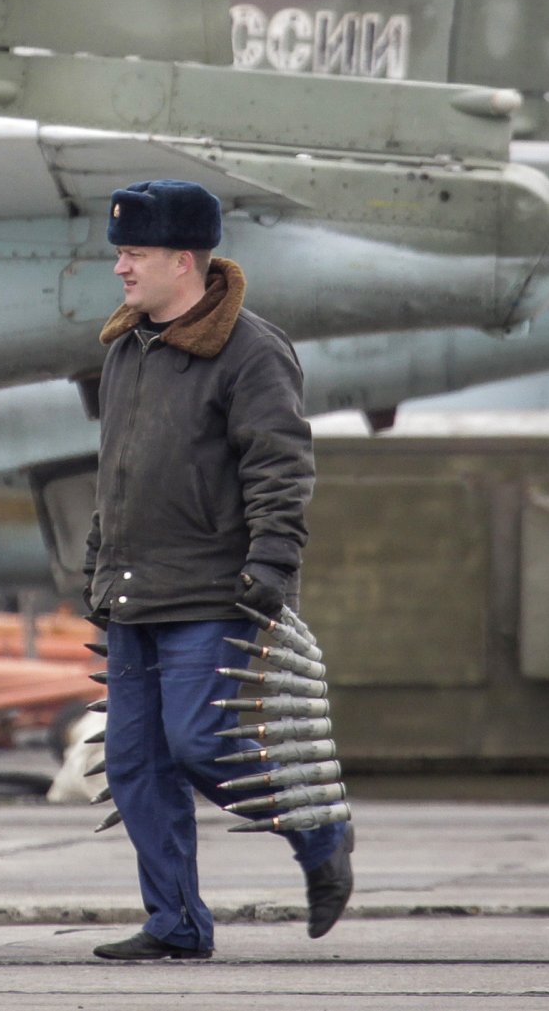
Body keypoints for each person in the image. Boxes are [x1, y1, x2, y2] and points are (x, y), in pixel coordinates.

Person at [82, 178, 352, 962]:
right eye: (121, 253)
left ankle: (321, 831)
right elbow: (119, 471)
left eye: (134, 253)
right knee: (134, 766)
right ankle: (175, 924)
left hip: (215, 587)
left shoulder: (252, 350)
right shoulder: (126, 349)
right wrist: (98, 561)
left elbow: (280, 465)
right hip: (133, 591)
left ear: (184, 260)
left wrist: (271, 564)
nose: (121, 268)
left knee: (203, 743)